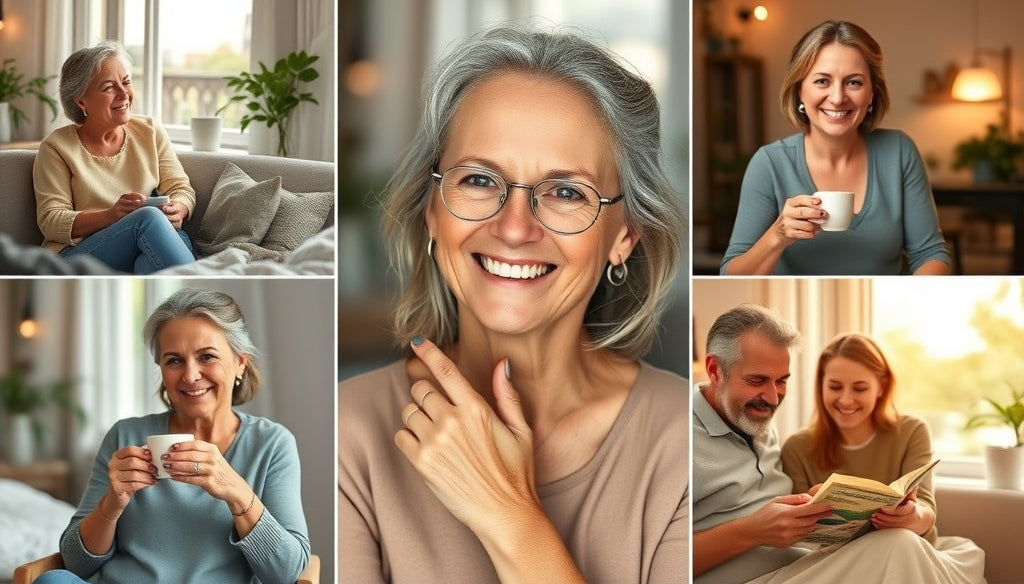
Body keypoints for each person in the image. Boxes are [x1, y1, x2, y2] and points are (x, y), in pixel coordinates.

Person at [338, 25, 688, 584]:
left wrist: (510, 517)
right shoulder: (347, 431)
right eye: (479, 179)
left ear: (626, 235)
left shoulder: (683, 435)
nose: (514, 227)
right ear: (432, 211)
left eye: (567, 191)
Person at [693, 304, 985, 584]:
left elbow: (924, 509)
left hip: (804, 566)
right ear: (715, 370)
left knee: (937, 548)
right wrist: (750, 532)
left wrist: (811, 507)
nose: (772, 397)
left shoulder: (757, 424)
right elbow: (652, 559)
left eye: (781, 380)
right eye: (757, 380)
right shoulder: (680, 439)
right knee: (900, 547)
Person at [37, 288, 310, 584]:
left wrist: (236, 491)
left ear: (239, 364)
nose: (190, 375)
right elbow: (76, 565)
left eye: (207, 356)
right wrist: (112, 503)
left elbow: (287, 573)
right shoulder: (126, 435)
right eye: (174, 360)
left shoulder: (271, 444)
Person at [720, 21, 950, 275]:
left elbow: (930, 254)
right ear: (800, 91)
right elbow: (729, 275)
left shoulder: (898, 151)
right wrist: (778, 236)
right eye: (822, 81)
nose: (838, 97)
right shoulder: (769, 164)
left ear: (872, 93)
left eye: (853, 82)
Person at [32, 40, 196, 274]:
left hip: (146, 242)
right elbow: (51, 221)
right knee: (147, 218)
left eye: (126, 82)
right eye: (109, 87)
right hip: (76, 255)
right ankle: (207, 295)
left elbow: (181, 187)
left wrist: (179, 208)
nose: (123, 94)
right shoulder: (56, 148)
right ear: (81, 101)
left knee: (148, 264)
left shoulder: (150, 131)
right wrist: (112, 215)